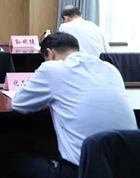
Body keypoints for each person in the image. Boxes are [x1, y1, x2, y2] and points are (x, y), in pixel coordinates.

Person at [8, 32, 136, 178]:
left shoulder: (52, 68)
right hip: (128, 168)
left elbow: (18, 103)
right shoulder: (110, 69)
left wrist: (48, 101)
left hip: (82, 171)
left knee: (9, 158)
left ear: (50, 53)